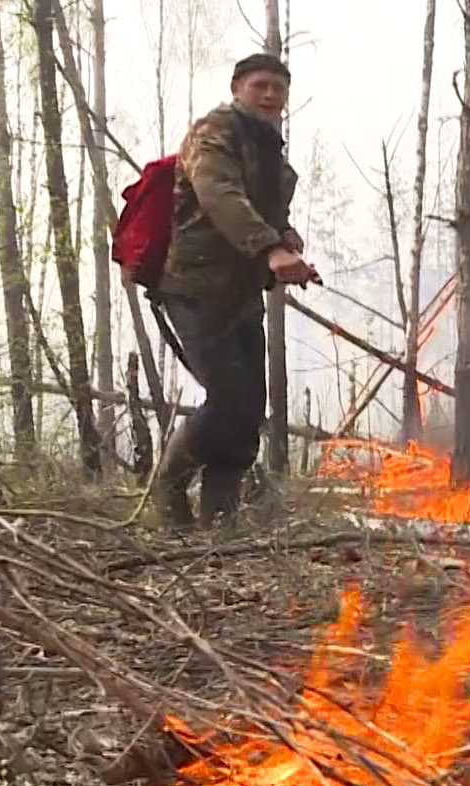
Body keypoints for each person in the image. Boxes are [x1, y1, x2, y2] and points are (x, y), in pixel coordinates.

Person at [149, 52, 320, 527]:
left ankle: (219, 519)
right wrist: (271, 249)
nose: (270, 95)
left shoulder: (268, 148)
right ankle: (168, 484)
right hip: (195, 288)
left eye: (278, 89)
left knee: (247, 409)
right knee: (228, 398)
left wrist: (285, 239)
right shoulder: (215, 132)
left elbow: (265, 211)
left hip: (242, 293)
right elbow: (219, 195)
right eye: (260, 85)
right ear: (237, 88)